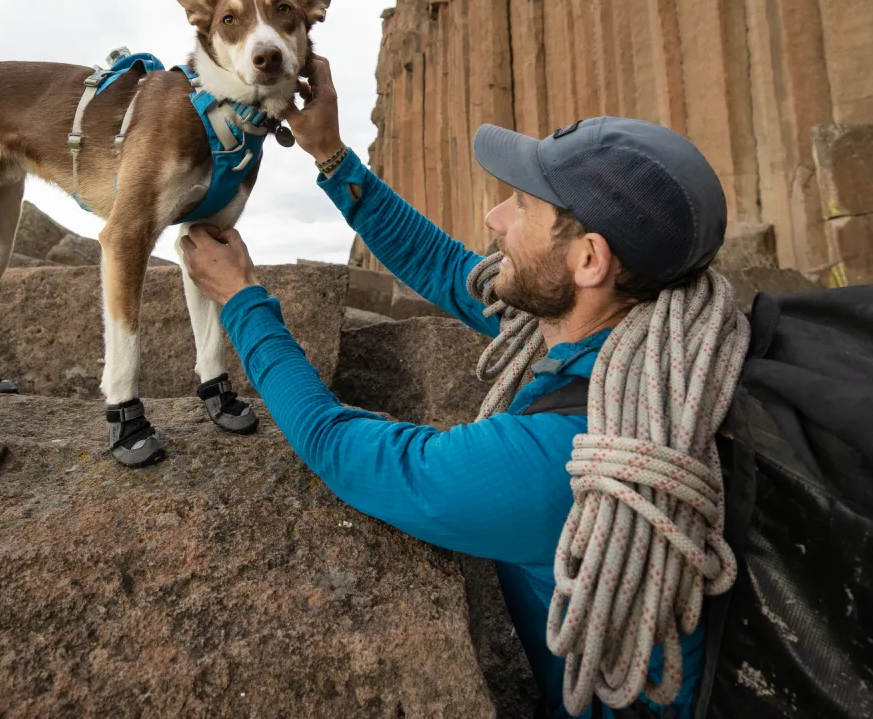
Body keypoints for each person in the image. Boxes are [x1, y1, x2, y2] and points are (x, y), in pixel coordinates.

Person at [180, 55, 733, 719]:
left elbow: (341, 448)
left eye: (524, 206)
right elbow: (449, 271)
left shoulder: (560, 461)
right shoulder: (658, 342)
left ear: (590, 260)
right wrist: (330, 156)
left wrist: (241, 300)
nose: (497, 218)